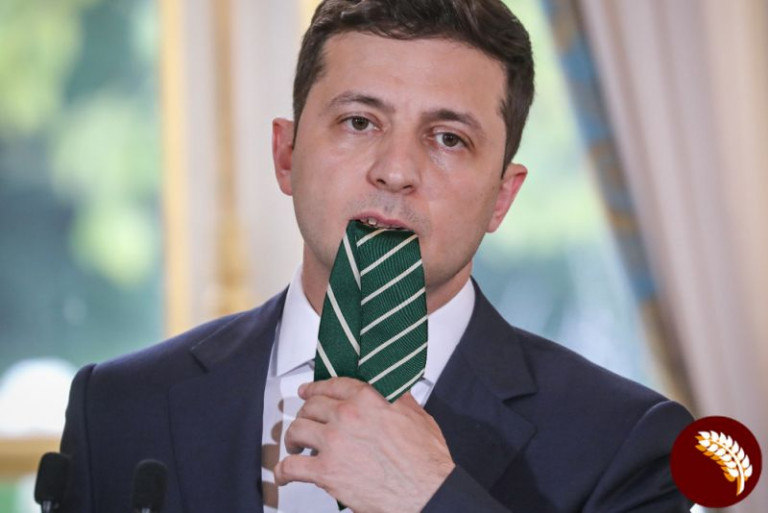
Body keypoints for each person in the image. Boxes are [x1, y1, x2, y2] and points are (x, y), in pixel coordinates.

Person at [59, 1, 694, 512]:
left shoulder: (625, 441)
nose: (395, 170)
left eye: (448, 138)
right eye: (360, 122)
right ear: (286, 155)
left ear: (502, 196)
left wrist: (432, 498)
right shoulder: (118, 406)